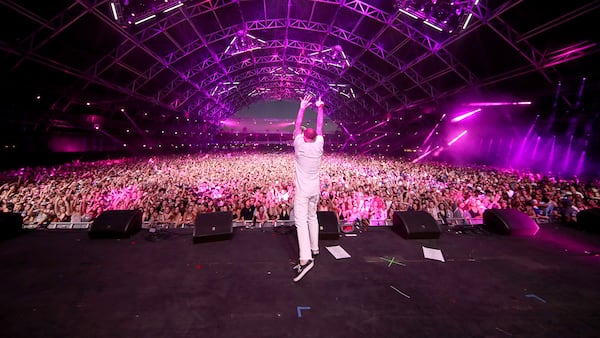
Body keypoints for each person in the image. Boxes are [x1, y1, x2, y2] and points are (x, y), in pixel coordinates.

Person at [291, 94, 324, 282]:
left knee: (300, 221)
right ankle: (315, 248)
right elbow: (319, 127)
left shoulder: (299, 145)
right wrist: (320, 107)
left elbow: (296, 126)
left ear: (303, 136)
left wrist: (302, 107)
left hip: (303, 191)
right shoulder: (319, 145)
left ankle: (306, 258)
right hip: (315, 189)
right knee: (313, 216)